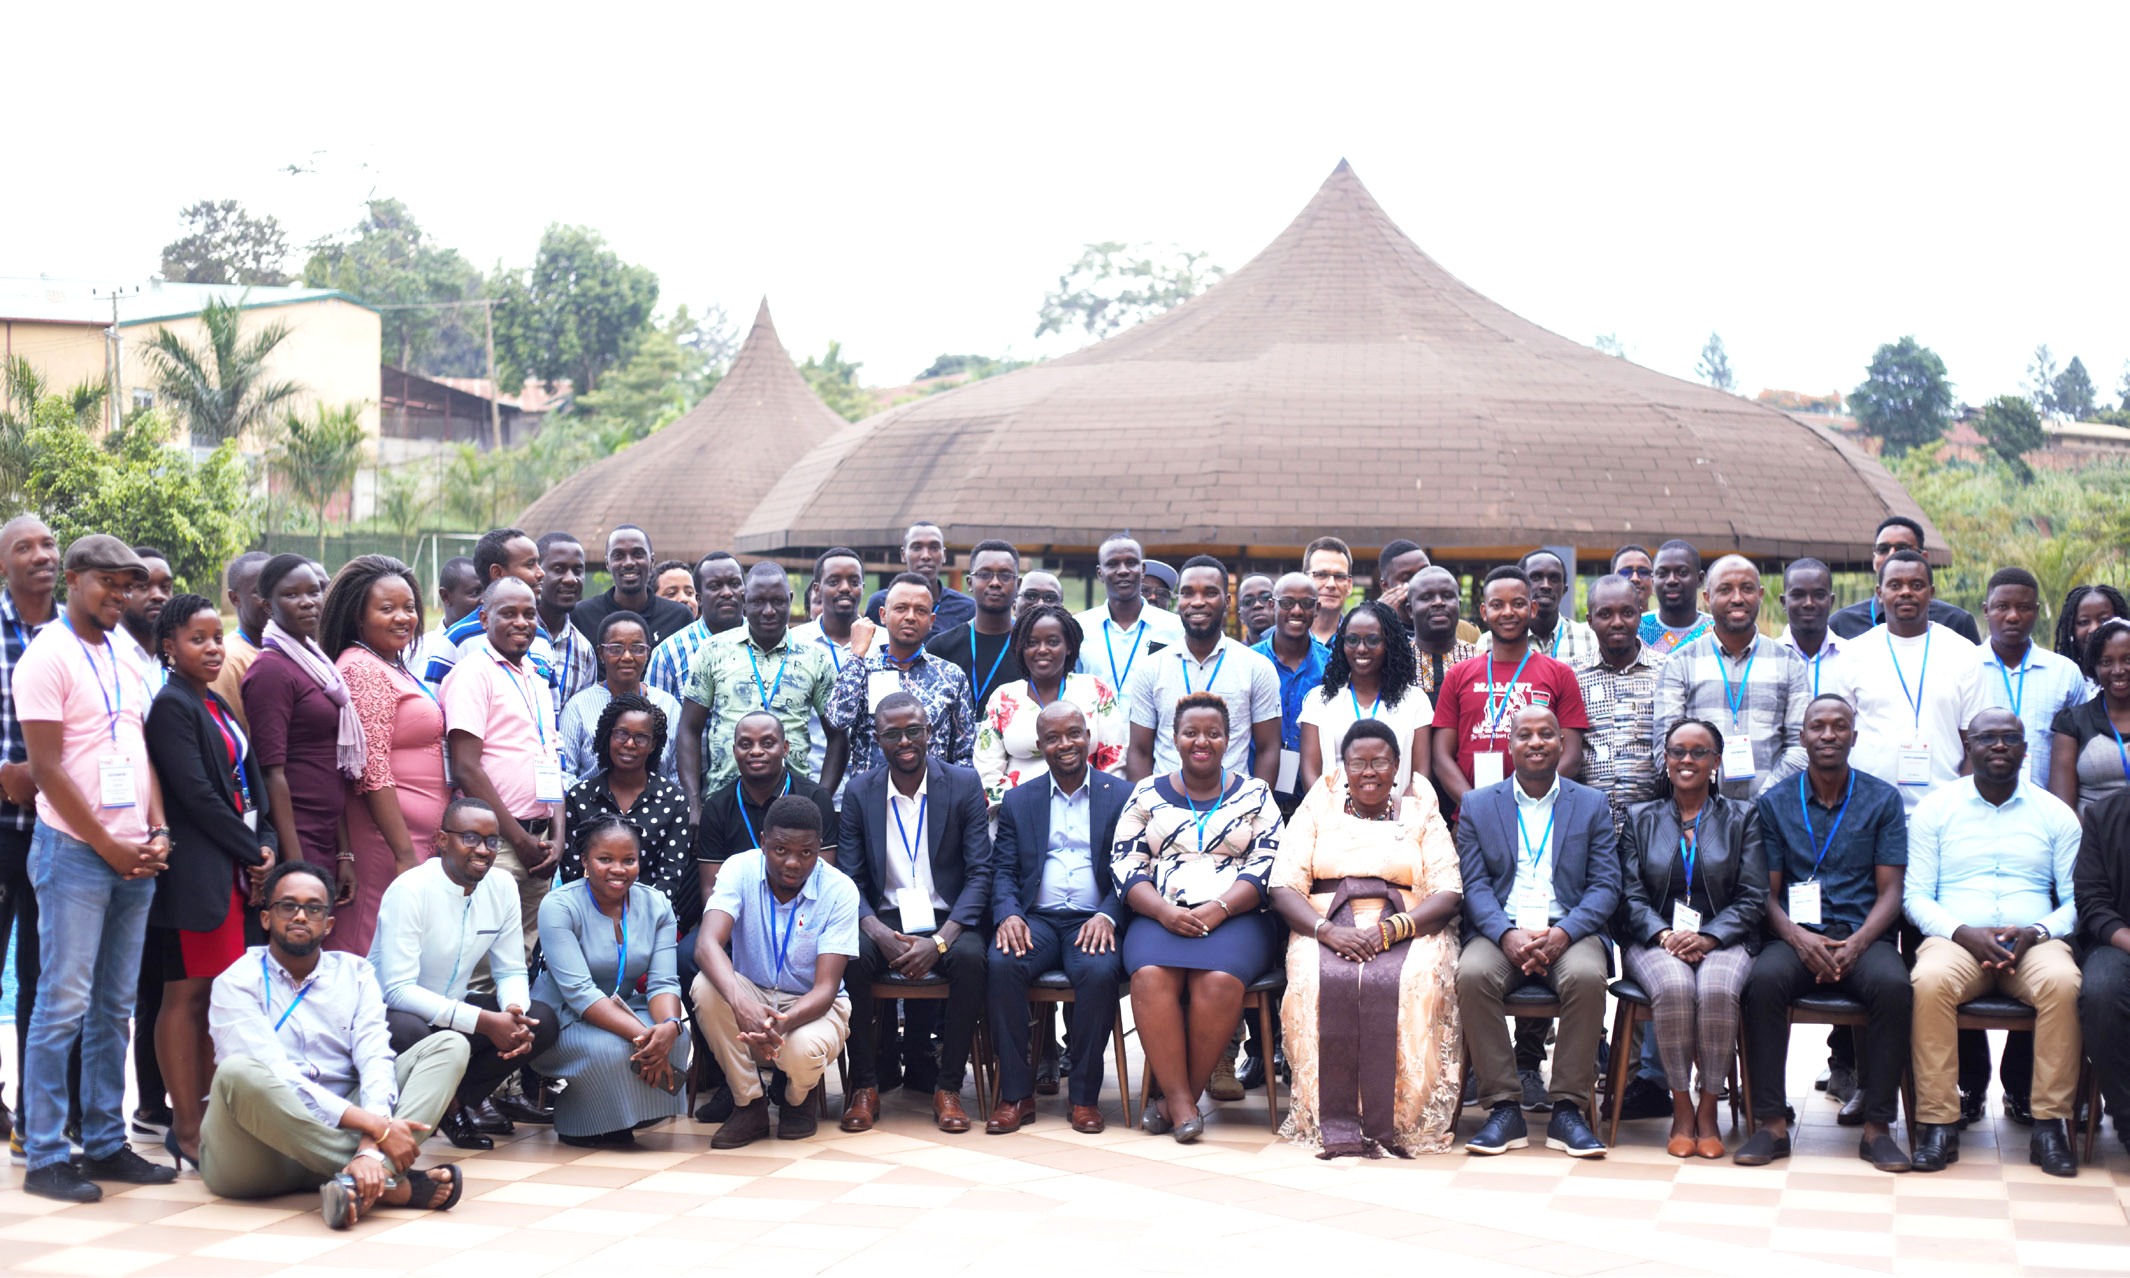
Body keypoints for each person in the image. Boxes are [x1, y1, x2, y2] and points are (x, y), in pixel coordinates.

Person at [15, 535, 175, 1201]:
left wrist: (158, 828)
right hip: (76, 853)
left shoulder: (128, 657)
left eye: (129, 584)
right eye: (108, 582)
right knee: (62, 1004)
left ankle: (106, 1143)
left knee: (113, 1007)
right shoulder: (46, 655)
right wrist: (109, 846)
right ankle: (48, 1153)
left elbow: (138, 750)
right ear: (74, 579)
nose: (121, 594)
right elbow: (45, 769)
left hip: (135, 852)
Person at [202, 861, 467, 1229]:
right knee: (238, 1073)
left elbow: (375, 1058)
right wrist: (379, 1130)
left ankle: (362, 1176)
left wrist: (370, 1144)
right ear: (266, 918)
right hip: (256, 1157)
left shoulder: (355, 974)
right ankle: (390, 1183)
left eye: (313, 908)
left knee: (449, 1046)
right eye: (287, 906)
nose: (299, 916)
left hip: (343, 1133)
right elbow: (278, 1077)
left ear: (327, 924)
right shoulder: (236, 982)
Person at [1270, 721, 1463, 1158]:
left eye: (1380, 762)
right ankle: (1333, 1117)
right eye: (1358, 763)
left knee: (1414, 981)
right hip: (1324, 924)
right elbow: (1283, 885)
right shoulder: (1317, 809)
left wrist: (1390, 930)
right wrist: (1327, 932)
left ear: (1397, 766)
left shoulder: (1422, 811)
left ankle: (1398, 1119)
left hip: (1408, 925)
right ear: (1344, 768)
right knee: (1316, 981)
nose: (1369, 772)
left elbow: (1449, 891)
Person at [1734, 695, 1912, 1171]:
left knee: (1895, 987)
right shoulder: (1774, 804)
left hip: (1863, 935)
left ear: (1855, 735)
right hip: (1796, 936)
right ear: (1803, 736)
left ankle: (1877, 1129)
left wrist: (1857, 943)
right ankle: (1770, 1124)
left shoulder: (1882, 799)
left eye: (1839, 726)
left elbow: (1891, 890)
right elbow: (1764, 895)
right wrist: (1798, 938)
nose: (1828, 735)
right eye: (1818, 727)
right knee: (1762, 982)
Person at [1902, 709, 2083, 1176]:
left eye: (2010, 738)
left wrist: (2036, 933)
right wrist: (1963, 933)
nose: (1999, 746)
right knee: (1929, 981)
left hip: (2034, 944)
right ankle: (1938, 1123)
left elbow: (2077, 901)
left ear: (2026, 750)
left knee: (2064, 983)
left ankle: (2050, 1124)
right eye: (1987, 738)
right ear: (1970, 746)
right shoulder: (1936, 809)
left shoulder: (2055, 814)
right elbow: (1915, 895)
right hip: (1956, 942)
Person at [142, 592, 275, 1169]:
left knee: (219, 998)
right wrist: (251, 849)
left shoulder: (215, 702)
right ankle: (186, 1128)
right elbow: (196, 796)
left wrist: (266, 844)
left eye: (216, 637)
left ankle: (215, 1116)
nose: (213, 648)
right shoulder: (172, 706)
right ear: (168, 648)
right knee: (186, 995)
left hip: (235, 869)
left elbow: (250, 785)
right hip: (200, 875)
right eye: (197, 640)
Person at [1114, 692, 1284, 1142]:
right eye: (1191, 733)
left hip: (1237, 916)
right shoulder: (1146, 793)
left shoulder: (1255, 793)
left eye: (1212, 733)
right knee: (1150, 977)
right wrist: (1164, 912)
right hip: (1159, 913)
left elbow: (1268, 862)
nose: (1201, 741)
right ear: (1175, 738)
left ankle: (1174, 1100)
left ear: (1229, 739)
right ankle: (1184, 1101)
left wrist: (1221, 906)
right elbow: (1124, 863)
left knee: (1219, 981)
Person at [1454, 706, 1617, 1159]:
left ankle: (1568, 1108)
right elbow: (1474, 885)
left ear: (1563, 743)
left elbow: (1606, 885)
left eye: (1547, 734)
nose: (1536, 742)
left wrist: (1564, 933)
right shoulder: (1479, 804)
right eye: (1524, 735)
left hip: (1569, 930)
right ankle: (1503, 1108)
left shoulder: (1590, 804)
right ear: (1510, 746)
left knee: (1586, 978)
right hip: (1500, 932)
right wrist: (1506, 935)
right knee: (1470, 975)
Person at [836, 694, 993, 1134]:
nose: (905, 741)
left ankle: (948, 1088)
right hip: (882, 919)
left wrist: (941, 939)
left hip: (949, 919)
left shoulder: (962, 784)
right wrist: (878, 934)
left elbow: (981, 872)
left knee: (970, 959)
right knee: (849, 955)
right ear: (877, 738)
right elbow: (849, 878)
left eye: (914, 731)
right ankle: (864, 1086)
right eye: (892, 734)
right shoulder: (860, 790)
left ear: (929, 732)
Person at [370, 798, 560, 1151]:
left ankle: (455, 1100)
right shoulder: (410, 889)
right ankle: (451, 1107)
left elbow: (511, 969)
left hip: (452, 1009)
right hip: (391, 1018)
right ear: (442, 840)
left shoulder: (502, 886)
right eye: (470, 838)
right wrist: (485, 1022)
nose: (483, 850)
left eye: (492, 841)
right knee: (413, 1029)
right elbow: (397, 990)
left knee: (541, 1021)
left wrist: (513, 1012)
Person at [1614, 719, 1766, 1159]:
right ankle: (1681, 1107)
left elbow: (1754, 895)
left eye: (1699, 752)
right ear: (1665, 759)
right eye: (1678, 751)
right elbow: (1629, 893)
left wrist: (1711, 937)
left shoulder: (1743, 816)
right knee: (1677, 987)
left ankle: (1709, 1109)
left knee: (1718, 989)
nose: (1687, 760)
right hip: (1655, 938)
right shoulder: (1641, 818)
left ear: (1716, 762)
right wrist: (1663, 933)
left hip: (1726, 937)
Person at [985, 702, 1131, 1134]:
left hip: (1093, 919)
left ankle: (1084, 1098)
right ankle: (1015, 1095)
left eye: (1073, 734)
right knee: (1001, 964)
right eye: (1053, 737)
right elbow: (1004, 871)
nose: (1064, 744)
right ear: (1040, 745)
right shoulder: (1019, 800)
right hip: (1039, 920)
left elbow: (1133, 868)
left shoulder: (1122, 796)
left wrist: (1109, 913)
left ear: (1089, 737)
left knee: (1100, 972)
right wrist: (1009, 915)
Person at [692, 795, 858, 1147]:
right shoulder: (739, 868)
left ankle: (799, 1097)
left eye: (807, 853)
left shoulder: (840, 890)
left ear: (819, 850)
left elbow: (826, 989)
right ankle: (749, 1103)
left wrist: (780, 1025)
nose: (794, 863)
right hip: (753, 991)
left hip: (812, 1004)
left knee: (800, 1052)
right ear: (764, 843)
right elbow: (707, 945)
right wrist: (742, 1004)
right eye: (781, 850)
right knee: (705, 987)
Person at [529, 815, 689, 1145]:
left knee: (678, 1037)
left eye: (628, 860)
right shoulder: (558, 905)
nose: (619, 869)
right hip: (563, 1015)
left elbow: (663, 982)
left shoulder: (656, 904)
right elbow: (580, 993)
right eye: (605, 859)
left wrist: (669, 1025)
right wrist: (646, 1036)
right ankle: (582, 1123)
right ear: (585, 861)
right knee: (611, 1048)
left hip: (624, 1004)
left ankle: (631, 1111)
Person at [324, 555, 448, 955]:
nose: (403, 618)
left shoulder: (391, 664)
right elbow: (370, 768)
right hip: (384, 842)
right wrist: (403, 853)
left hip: (412, 840)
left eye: (409, 607)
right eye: (387, 608)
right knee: (369, 945)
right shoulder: (362, 669)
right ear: (358, 618)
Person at [441, 577, 564, 957]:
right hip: (496, 844)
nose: (521, 622)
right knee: (478, 953)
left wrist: (556, 837)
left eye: (529, 614)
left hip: (539, 843)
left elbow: (551, 760)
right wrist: (519, 840)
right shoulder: (473, 673)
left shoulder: (536, 676)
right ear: (483, 618)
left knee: (519, 954)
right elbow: (466, 768)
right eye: (508, 613)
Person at [243, 555, 361, 910]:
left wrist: (343, 852)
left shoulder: (317, 663)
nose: (308, 601)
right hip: (298, 834)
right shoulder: (270, 672)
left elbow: (332, 761)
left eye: (314, 591)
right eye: (291, 595)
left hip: (325, 833)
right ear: (266, 606)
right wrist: (296, 867)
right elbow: (272, 772)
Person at [682, 563, 834, 823]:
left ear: (790, 600)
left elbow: (838, 735)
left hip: (794, 802)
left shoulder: (816, 658)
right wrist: (694, 804)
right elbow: (688, 728)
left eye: (777, 601)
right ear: (743, 600)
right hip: (724, 802)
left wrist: (822, 798)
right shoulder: (712, 651)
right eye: (758, 601)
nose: (768, 611)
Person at [1431, 566, 1589, 815]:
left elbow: (1571, 755)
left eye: (1517, 604)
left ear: (1532, 609)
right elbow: (1441, 756)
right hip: (1473, 817)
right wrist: (1476, 807)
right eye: (1497, 605)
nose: (1508, 613)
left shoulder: (1560, 674)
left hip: (1541, 814)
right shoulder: (1458, 675)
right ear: (1484, 612)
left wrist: (1532, 802)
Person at [1652, 554, 1809, 801]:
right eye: (1725, 590)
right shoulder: (1680, 663)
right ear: (1707, 598)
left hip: (1772, 815)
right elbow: (1666, 748)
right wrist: (1714, 808)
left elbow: (1800, 748)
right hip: (1701, 817)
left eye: (1746, 589)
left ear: (1760, 594)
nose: (1737, 598)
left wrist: (1762, 804)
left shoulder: (1789, 663)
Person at [1837, 550, 1984, 811]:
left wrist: (1960, 805)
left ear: (1932, 592)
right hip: (1869, 809)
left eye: (1917, 585)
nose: (1906, 592)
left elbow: (1974, 742)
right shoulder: (1853, 652)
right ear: (1880, 593)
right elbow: (1838, 734)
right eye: (1895, 585)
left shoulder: (1963, 652)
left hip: (1944, 808)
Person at [0, 514, 60, 1156]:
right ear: (3, 564)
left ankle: (32, 1116)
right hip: (1, 825)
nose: (40, 554)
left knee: (44, 979)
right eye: (24, 547)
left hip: (59, 832)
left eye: (47, 544)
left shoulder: (79, 633)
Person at [1124, 555, 1283, 790]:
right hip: (1166, 811)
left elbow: (1268, 749)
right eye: (1188, 593)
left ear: (1228, 601)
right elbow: (1139, 751)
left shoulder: (1256, 667)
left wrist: (1253, 806)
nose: (1197, 602)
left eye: (1209, 593)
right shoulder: (1150, 669)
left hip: (1233, 810)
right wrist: (1148, 807)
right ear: (1178, 601)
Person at [823, 572, 978, 791]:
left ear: (931, 621)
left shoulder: (951, 676)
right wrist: (856, 654)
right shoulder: (862, 670)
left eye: (921, 610)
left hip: (934, 799)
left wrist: (956, 799)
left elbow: (964, 752)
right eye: (901, 608)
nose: (910, 617)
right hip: (871, 798)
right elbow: (837, 720)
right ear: (883, 615)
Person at [973, 603, 1126, 809]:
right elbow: (986, 769)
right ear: (1021, 648)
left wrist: (1096, 804)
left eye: (1052, 642)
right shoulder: (1003, 697)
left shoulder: (1095, 689)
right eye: (1032, 643)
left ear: (1069, 645)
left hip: (1088, 808)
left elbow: (1113, 760)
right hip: (1016, 814)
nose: (1042, 649)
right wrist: (1020, 809)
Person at [562, 692, 695, 915]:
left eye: (641, 737)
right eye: (621, 734)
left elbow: (670, 876)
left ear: (653, 744)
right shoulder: (580, 797)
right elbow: (573, 871)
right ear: (608, 736)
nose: (630, 744)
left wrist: (638, 918)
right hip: (587, 913)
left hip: (650, 915)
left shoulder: (674, 799)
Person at [1300, 600, 1431, 797]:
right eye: (1352, 640)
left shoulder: (1415, 701)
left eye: (1372, 640)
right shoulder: (1318, 700)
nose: (1361, 649)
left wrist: (1396, 817)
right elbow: (1310, 773)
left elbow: (1420, 777)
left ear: (1390, 644)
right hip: (1332, 820)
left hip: (1398, 821)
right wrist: (1335, 817)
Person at [1975, 568, 2088, 792]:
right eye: (2002, 607)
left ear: (2036, 611)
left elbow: (2079, 749)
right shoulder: (1965, 667)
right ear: (1986, 611)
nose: (2013, 616)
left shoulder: (2065, 673)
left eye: (2024, 607)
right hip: (1977, 807)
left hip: (2044, 808)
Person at [697, 711, 839, 886]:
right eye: (746, 744)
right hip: (738, 908)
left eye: (767, 743)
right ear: (735, 751)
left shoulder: (815, 799)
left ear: (785, 748)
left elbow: (824, 882)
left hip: (804, 908)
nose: (756, 751)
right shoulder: (717, 807)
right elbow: (712, 889)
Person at [1576, 573, 1667, 831]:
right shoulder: (1571, 675)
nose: (1617, 622)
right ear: (1590, 621)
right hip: (1590, 825)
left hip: (1654, 824)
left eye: (1627, 612)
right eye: (1605, 614)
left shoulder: (1667, 671)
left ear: (1640, 614)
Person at [420, 528, 558, 696]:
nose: (541, 572)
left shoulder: (541, 638)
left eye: (539, 563)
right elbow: (436, 713)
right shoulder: (457, 641)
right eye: (530, 565)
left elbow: (551, 711)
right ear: (497, 573)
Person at [559, 609, 684, 786]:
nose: (627, 657)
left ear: (648, 653)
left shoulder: (668, 706)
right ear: (601, 653)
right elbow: (565, 773)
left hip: (658, 808)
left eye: (637, 648)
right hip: (591, 808)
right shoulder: (578, 706)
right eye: (616, 649)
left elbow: (675, 774)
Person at [790, 547, 879, 790]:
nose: (845, 588)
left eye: (854, 581)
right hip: (811, 780)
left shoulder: (883, 642)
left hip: (871, 784)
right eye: (834, 581)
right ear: (817, 588)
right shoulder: (794, 642)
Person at [1074, 533, 1184, 724]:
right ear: (1100, 573)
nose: (1123, 570)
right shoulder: (1080, 627)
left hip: (1155, 745)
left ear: (1142, 570)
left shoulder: (1175, 629)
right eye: (1113, 564)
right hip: (1096, 746)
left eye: (1131, 563)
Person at [2074, 788, 2130, 1156]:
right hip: (2119, 941)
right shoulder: (2103, 815)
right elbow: (2092, 901)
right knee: (2101, 992)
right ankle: (2128, 1119)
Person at [1828, 516, 1981, 643]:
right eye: (1883, 549)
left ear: (1924, 558)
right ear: (1874, 559)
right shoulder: (1841, 624)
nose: (1891, 555)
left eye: (1902, 548)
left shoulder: (1956, 622)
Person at [1252, 571, 1330, 809]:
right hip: (1258, 790)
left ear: (1316, 608)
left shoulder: (1333, 665)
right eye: (1287, 603)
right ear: (1271, 605)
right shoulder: (1250, 661)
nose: (1296, 611)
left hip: (1316, 794)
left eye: (1306, 604)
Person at [925, 540, 1023, 715]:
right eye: (984, 574)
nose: (995, 582)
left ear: (1018, 585)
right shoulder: (941, 648)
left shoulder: (1030, 647)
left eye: (1005, 575)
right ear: (969, 583)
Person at [644, 551, 747, 703]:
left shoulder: (768, 642)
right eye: (714, 586)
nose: (726, 593)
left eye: (735, 584)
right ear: (699, 598)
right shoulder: (668, 654)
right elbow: (653, 719)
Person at [573, 524, 695, 650]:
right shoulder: (582, 616)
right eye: (618, 556)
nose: (628, 563)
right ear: (608, 564)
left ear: (652, 561)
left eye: (637, 554)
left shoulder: (679, 617)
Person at [2053, 619, 2130, 813]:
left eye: (2128, 659)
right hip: (2094, 839)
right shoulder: (2072, 722)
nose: (2119, 670)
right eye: (2106, 662)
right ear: (2094, 668)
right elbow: (2063, 810)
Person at [863, 521, 976, 637]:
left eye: (934, 548)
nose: (926, 556)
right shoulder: (880, 602)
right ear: (903, 554)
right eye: (916, 548)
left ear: (944, 555)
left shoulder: (967, 608)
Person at [206, 549, 271, 729]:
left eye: (274, 588)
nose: (269, 599)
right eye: (259, 591)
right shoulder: (229, 658)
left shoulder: (290, 649)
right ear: (234, 598)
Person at [1408, 564, 1481, 700]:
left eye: (1447, 596)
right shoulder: (1396, 661)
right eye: (1426, 597)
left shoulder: (1480, 660)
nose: (1438, 602)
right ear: (1410, 610)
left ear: (1458, 606)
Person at [408, 556, 481, 688]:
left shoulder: (495, 648)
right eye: (475, 593)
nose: (484, 601)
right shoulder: (416, 654)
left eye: (488, 592)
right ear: (445, 596)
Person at [1777, 558, 1845, 699]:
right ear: (1784, 602)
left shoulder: (1853, 657)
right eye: (1798, 595)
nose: (1809, 603)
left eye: (1819, 595)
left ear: (1831, 601)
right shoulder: (1767, 657)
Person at [1522, 550, 1597, 664]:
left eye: (1554, 579)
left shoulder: (1591, 640)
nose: (1546, 586)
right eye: (1536, 577)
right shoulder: (1490, 642)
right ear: (1519, 587)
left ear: (1564, 590)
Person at [115, 546, 173, 693]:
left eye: (165, 587)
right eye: (142, 586)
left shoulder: (179, 656)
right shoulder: (104, 655)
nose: (158, 595)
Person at [1639, 540, 1713, 655]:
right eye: (1663, 574)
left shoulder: (1715, 631)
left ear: (1700, 579)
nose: (1672, 580)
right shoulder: (1636, 629)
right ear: (1653, 581)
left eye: (1682, 572)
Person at [2056, 583, 2128, 673]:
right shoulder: (2064, 678)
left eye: (2103, 620)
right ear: (2071, 630)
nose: (2094, 629)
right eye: (2084, 622)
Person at [1303, 536, 1353, 647]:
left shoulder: (1360, 641)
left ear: (1349, 585)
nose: (1331, 584)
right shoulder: (1274, 640)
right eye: (1321, 575)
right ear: (1304, 581)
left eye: (1339, 576)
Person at [1611, 545, 1655, 617]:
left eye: (1643, 572)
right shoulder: (1596, 627)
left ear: (1653, 584)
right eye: (1625, 572)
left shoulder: (1667, 627)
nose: (1635, 578)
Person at [1238, 573, 1276, 646]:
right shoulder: (1233, 656)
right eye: (1248, 601)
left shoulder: (1300, 651)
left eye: (1266, 597)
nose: (1257, 605)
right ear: (1240, 617)